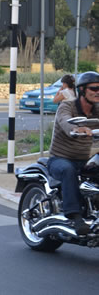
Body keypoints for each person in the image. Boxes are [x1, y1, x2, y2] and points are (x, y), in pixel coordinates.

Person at [47, 71, 99, 235]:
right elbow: (64, 120)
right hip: (60, 159)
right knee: (68, 170)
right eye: (94, 88)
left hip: (85, 160)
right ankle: (75, 217)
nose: (98, 92)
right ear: (82, 90)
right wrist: (76, 129)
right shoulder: (67, 106)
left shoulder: (97, 110)